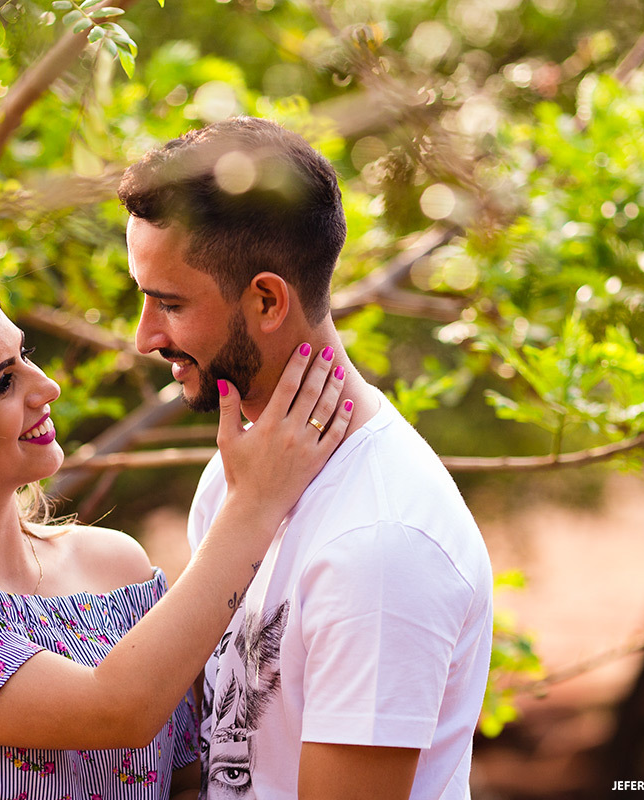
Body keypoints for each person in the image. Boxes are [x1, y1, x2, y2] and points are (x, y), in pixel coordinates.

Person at [0, 273, 353, 800]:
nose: (45, 386)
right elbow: (116, 710)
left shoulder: (116, 567)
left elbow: (185, 782)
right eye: (3, 383)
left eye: (26, 356)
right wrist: (254, 503)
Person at [119, 116, 494, 800]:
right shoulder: (243, 475)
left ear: (265, 299)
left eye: (168, 304)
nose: (144, 338)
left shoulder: (382, 543)